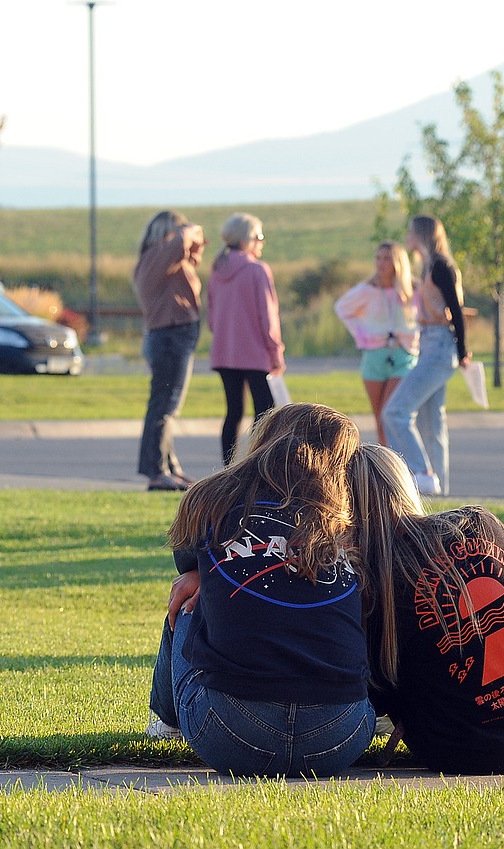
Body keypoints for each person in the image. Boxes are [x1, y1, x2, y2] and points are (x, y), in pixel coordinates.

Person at [145, 403, 375, 777]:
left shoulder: (210, 498)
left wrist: (205, 572)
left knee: (189, 599)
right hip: (340, 737)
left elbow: (186, 559)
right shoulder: (348, 521)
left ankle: (166, 724)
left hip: (228, 732)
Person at [348, 443, 504, 773]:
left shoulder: (373, 581)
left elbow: (380, 694)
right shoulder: (479, 522)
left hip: (457, 748)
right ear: (404, 482)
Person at [383, 215, 470, 496]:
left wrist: (462, 350)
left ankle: (422, 474)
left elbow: (456, 310)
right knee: (431, 422)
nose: (407, 238)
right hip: (431, 343)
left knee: (395, 412)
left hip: (440, 346)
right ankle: (441, 495)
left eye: (410, 233)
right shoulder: (430, 266)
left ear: (420, 235)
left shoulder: (442, 266)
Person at [132, 210, 206, 492]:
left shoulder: (166, 261)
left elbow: (189, 255)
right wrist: (187, 231)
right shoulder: (155, 258)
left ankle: (169, 466)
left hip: (174, 335)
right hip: (169, 337)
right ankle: (155, 471)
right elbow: (176, 248)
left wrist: (193, 241)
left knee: (168, 407)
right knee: (163, 406)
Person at [207, 212, 286, 466]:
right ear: (247, 240)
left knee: (234, 412)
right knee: (265, 413)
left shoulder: (217, 271)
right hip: (256, 355)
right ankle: (255, 465)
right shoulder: (257, 270)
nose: (262, 242)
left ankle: (228, 468)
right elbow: (268, 318)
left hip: (224, 353)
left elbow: (211, 316)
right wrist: (276, 352)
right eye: (259, 236)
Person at [335, 240, 419, 445]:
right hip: (374, 357)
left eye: (387, 259)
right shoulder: (367, 289)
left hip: (403, 356)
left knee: (392, 414)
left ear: (398, 262)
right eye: (378, 258)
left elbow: (426, 316)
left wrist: (415, 337)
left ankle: (401, 461)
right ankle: (385, 465)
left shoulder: (414, 290)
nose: (381, 263)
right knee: (380, 418)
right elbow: (342, 308)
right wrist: (363, 334)